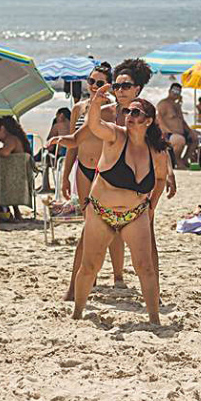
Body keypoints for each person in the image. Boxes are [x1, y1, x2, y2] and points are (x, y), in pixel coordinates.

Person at [70, 82, 169, 325]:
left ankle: (154, 319)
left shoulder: (156, 151)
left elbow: (160, 177)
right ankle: (77, 313)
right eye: (128, 112)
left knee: (145, 267)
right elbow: (94, 125)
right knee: (90, 266)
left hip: (135, 215)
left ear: (148, 121)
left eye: (136, 113)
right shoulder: (115, 135)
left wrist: (152, 205)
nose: (130, 116)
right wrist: (96, 102)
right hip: (101, 212)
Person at [55, 62, 127, 297]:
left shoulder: (113, 110)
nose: (94, 86)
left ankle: (118, 275)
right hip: (82, 168)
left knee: (114, 225)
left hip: (104, 169)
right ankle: (91, 275)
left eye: (99, 82)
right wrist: (65, 176)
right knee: (90, 223)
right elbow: (74, 144)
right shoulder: (78, 107)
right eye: (91, 81)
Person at [0, 115, 31, 221]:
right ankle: (15, 212)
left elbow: (5, 152)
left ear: (3, 129)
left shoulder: (11, 139)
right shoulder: (15, 138)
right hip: (18, 174)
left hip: (16, 175)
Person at [157, 82, 198, 168]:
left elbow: (182, 121)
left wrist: (190, 131)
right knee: (179, 140)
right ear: (169, 91)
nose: (176, 93)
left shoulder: (177, 105)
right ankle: (177, 161)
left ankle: (184, 159)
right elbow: (159, 119)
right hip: (170, 134)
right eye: (174, 91)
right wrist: (166, 131)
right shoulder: (163, 104)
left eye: (178, 91)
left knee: (195, 138)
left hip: (180, 133)